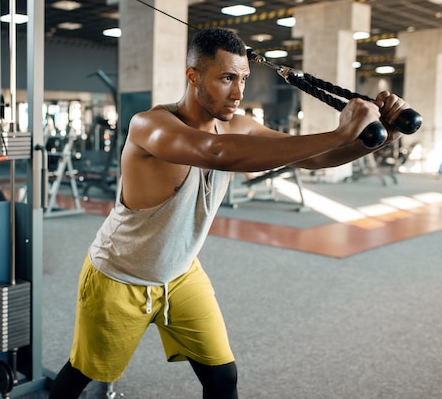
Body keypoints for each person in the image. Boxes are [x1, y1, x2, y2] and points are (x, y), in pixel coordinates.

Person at [47, 27, 410, 399]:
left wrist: (385, 137)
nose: (238, 92)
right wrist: (339, 133)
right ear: (193, 76)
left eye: (243, 79)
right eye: (226, 78)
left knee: (223, 379)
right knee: (83, 374)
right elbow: (216, 152)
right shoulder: (149, 126)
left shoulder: (238, 125)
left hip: (181, 274)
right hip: (119, 276)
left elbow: (312, 158)